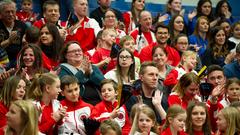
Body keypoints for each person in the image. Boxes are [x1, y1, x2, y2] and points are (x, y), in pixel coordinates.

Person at [59, 41, 104, 105]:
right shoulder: (62, 69)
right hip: (77, 105)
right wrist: (82, 71)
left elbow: (104, 83)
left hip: (99, 103)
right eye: (73, 51)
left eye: (79, 50)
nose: (77, 53)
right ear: (66, 55)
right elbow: (68, 85)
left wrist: (91, 72)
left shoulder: (92, 67)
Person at [0, 0, 27, 69]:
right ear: (1, 14)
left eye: (13, 11)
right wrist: (9, 41)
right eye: (7, 12)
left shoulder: (22, 25)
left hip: (18, 59)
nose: (11, 14)